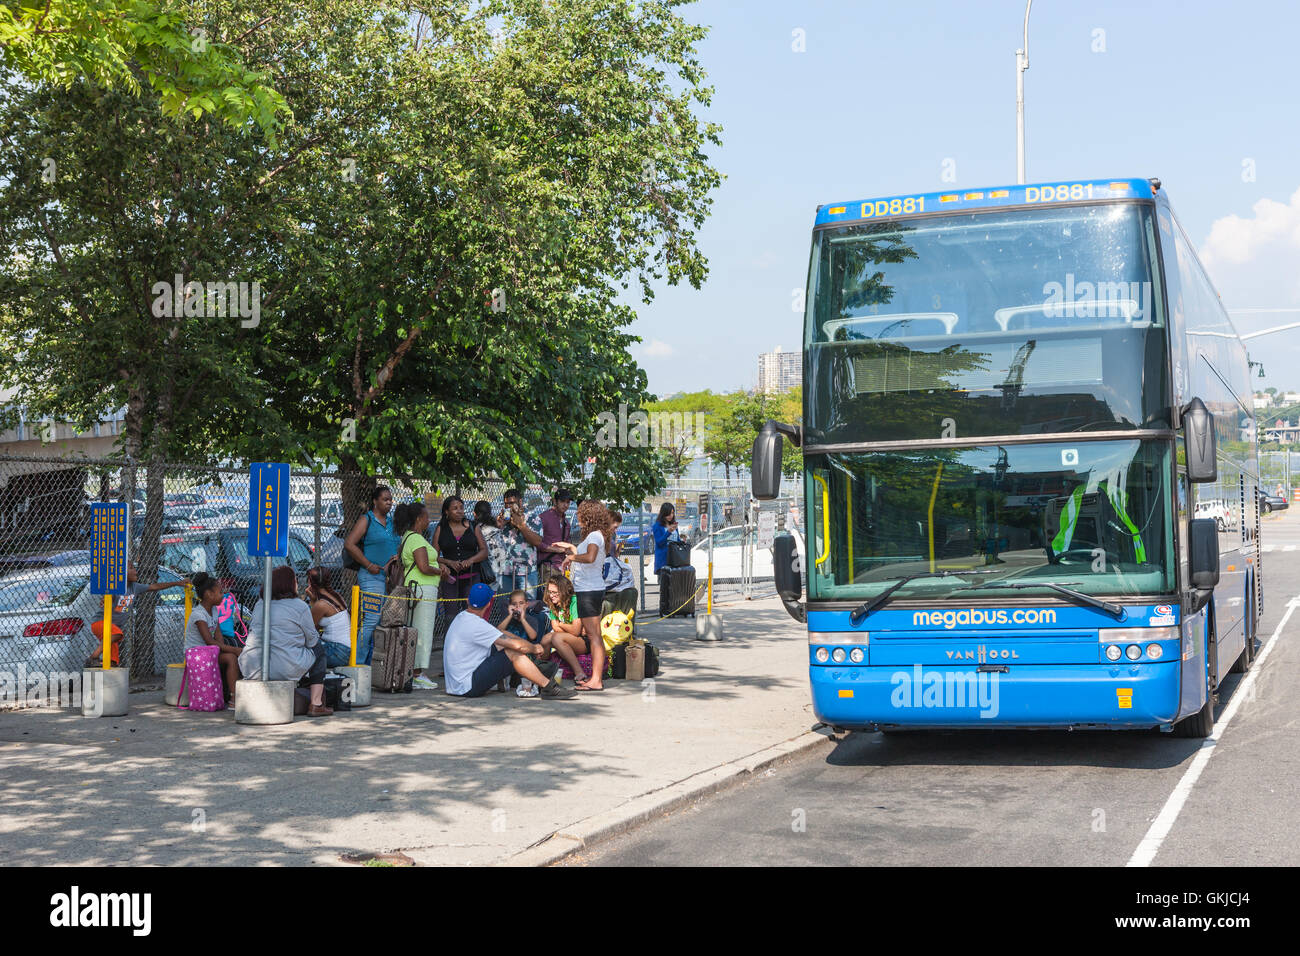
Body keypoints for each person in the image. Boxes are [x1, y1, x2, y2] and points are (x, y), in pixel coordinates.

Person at [443, 583, 576, 699]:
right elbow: (517, 646)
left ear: (468, 601)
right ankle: (548, 687)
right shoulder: (478, 625)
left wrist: (530, 646)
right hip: (466, 686)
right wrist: (535, 648)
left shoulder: (461, 617)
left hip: (455, 684)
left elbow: (502, 634)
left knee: (503, 636)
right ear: (489, 604)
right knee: (513, 652)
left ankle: (536, 672)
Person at [239, 565, 332, 716]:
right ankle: (316, 704)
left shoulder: (259, 604)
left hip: (251, 667)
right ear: (288, 583)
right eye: (295, 580)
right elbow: (312, 641)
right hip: (284, 668)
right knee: (319, 652)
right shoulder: (300, 606)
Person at [554, 498, 614, 691]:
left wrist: (571, 557)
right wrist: (571, 549)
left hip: (589, 591)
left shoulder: (595, 536)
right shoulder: (595, 536)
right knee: (594, 634)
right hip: (589, 589)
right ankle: (595, 678)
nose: (578, 516)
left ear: (589, 515)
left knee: (594, 636)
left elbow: (590, 557)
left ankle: (596, 679)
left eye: (580, 513)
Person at [84, 560, 188, 668]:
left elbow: (155, 586)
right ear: (121, 572)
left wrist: (177, 583)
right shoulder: (115, 586)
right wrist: (105, 599)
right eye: (131, 568)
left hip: (113, 627)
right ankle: (92, 658)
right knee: (116, 635)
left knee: (113, 661)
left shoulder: (135, 587)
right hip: (100, 623)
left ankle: (106, 665)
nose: (135, 571)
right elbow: (109, 595)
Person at [343, 485, 396, 666]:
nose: (389, 502)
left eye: (390, 499)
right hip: (371, 576)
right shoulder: (367, 520)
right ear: (375, 501)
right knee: (372, 620)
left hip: (391, 578)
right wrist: (368, 564)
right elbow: (350, 544)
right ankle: (357, 663)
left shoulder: (392, 522)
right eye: (385, 499)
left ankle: (377, 664)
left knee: (386, 620)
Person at [395, 501, 441, 689]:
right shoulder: (416, 539)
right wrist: (441, 572)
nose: (429, 521)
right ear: (418, 519)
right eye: (426, 517)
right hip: (422, 589)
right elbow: (423, 566)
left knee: (417, 629)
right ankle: (416, 673)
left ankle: (413, 671)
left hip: (418, 588)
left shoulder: (409, 537)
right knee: (422, 631)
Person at [500, 587, 585, 686]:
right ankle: (505, 678)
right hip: (509, 653)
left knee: (520, 677)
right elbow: (498, 631)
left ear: (527, 604)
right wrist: (510, 616)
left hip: (525, 654)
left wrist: (522, 620)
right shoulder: (507, 619)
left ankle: (521, 678)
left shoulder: (531, 619)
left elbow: (533, 636)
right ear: (509, 606)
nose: (518, 607)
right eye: (514, 604)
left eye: (521, 603)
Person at [183, 572, 243, 703]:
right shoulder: (199, 614)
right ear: (209, 594)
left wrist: (225, 649)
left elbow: (218, 636)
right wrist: (233, 650)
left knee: (233, 655)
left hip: (208, 652)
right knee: (231, 657)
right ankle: (234, 698)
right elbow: (209, 641)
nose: (223, 595)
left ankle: (230, 694)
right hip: (197, 655)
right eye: (220, 592)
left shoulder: (214, 610)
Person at [432, 496, 488, 619]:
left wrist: (471, 560)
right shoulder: (440, 529)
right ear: (446, 511)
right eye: (455, 508)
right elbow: (433, 556)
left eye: (461, 508)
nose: (459, 511)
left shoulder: (473, 526)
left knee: (472, 613)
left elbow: (484, 551)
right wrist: (448, 562)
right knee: (450, 615)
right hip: (449, 579)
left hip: (472, 577)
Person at [493, 488, 545, 595]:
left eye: (512, 503)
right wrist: (498, 526)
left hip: (526, 571)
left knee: (527, 605)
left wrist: (521, 526)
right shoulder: (502, 518)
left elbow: (538, 541)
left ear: (520, 502)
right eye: (506, 504)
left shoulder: (531, 517)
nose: (509, 506)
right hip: (505, 571)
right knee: (505, 606)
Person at [541, 575, 589, 683]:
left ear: (563, 591)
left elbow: (576, 631)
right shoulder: (553, 604)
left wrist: (562, 624)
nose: (551, 595)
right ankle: (541, 671)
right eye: (549, 592)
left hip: (583, 640)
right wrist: (570, 627)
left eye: (554, 592)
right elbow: (554, 627)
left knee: (557, 638)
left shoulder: (574, 601)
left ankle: (579, 673)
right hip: (570, 637)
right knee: (545, 639)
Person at [305, 566, 353, 670]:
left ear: (310, 582)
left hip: (337, 652)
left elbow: (309, 630)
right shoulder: (336, 595)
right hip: (343, 650)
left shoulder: (321, 604)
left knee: (299, 652)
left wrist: (312, 602)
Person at [601, 510, 638, 628]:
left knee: (630, 591)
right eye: (615, 526)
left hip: (612, 572)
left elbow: (613, 557)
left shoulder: (612, 536)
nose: (616, 530)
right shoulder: (600, 536)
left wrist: (618, 550)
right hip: (605, 576)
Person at [537, 487, 574, 598]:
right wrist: (556, 549)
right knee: (551, 597)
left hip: (562, 565)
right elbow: (537, 542)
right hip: (547, 565)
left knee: (562, 596)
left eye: (568, 502)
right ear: (555, 501)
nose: (565, 505)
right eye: (562, 501)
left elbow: (567, 543)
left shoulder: (566, 522)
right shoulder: (544, 517)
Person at [651, 502, 680, 575]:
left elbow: (677, 540)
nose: (671, 516)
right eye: (668, 513)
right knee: (665, 585)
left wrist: (682, 542)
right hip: (663, 562)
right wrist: (668, 532)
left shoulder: (673, 525)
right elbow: (659, 543)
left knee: (675, 585)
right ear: (663, 513)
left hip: (674, 561)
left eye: (672, 513)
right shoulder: (657, 526)